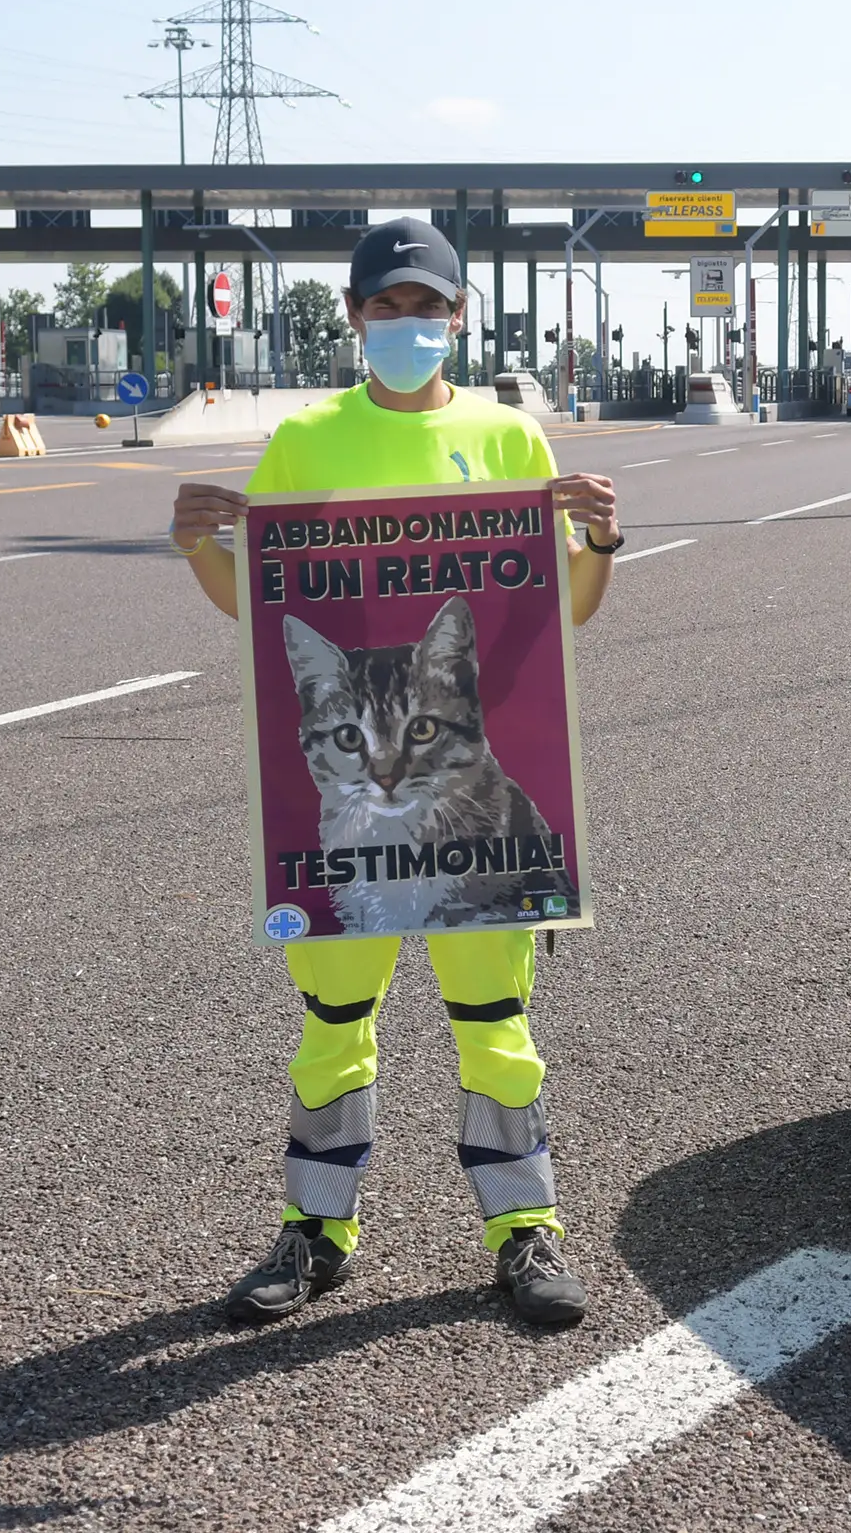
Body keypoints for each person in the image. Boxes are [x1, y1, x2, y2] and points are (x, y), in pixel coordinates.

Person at [170, 218, 625, 1329]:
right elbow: (262, 612)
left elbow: (559, 616)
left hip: (471, 807)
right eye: (388, 307)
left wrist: (599, 545)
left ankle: (525, 1232)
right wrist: (198, 545)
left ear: (458, 317)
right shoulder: (309, 439)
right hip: (352, 810)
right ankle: (317, 1232)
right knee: (334, 1017)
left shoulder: (510, 437)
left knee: (494, 1021)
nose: (409, 326)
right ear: (355, 317)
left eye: (428, 309)